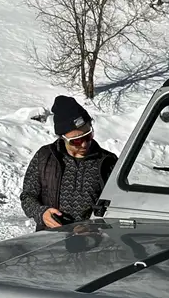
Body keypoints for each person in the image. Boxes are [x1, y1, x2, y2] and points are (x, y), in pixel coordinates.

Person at [20, 95, 117, 231]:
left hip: (93, 243)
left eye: (88, 136)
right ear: (62, 137)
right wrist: (41, 213)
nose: (84, 144)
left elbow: (117, 207)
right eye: (76, 141)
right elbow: (27, 196)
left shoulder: (107, 162)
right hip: (51, 242)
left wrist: (94, 227)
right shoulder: (44, 157)